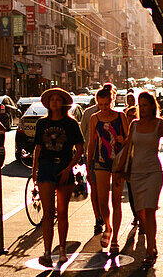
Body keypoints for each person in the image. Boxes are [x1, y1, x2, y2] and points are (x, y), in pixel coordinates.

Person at [116, 90, 163, 264]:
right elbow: (128, 148)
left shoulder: (160, 124)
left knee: (150, 209)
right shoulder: (134, 125)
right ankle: (150, 240)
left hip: (153, 172)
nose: (142, 108)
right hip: (136, 173)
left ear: (153, 106)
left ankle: (151, 248)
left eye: (145, 105)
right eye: (140, 105)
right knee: (140, 212)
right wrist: (120, 170)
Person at [32, 88, 84, 267]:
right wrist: (34, 170)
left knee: (62, 212)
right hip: (46, 168)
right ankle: (47, 253)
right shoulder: (41, 123)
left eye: (57, 99)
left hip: (64, 167)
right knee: (48, 213)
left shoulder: (71, 124)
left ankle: (62, 250)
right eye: (51, 99)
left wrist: (69, 168)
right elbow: (38, 147)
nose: (54, 102)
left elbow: (80, 148)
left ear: (63, 102)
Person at [86, 83, 129, 254]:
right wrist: (89, 165)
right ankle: (108, 227)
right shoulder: (94, 118)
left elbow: (129, 139)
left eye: (107, 104)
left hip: (118, 162)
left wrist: (122, 139)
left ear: (112, 101)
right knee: (102, 201)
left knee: (116, 201)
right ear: (97, 103)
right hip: (100, 161)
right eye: (101, 105)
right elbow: (91, 143)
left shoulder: (121, 116)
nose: (104, 108)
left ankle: (116, 239)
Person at [78, 96, 103, 235]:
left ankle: (104, 215)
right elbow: (82, 134)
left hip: (107, 157)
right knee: (94, 186)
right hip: (92, 155)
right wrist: (82, 153)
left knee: (103, 189)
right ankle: (98, 218)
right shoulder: (89, 113)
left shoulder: (115, 114)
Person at [123, 92, 140, 227]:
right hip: (129, 165)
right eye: (129, 116)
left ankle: (141, 216)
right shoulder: (123, 129)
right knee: (131, 192)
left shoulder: (140, 128)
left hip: (141, 164)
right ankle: (136, 215)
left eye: (133, 116)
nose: (131, 118)